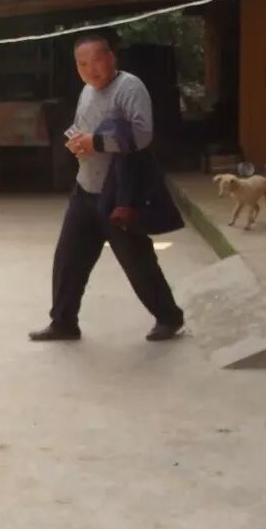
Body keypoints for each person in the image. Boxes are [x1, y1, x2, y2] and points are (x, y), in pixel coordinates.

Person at [29, 34, 184, 342]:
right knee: (68, 260)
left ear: (111, 58)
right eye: (82, 64)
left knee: (137, 262)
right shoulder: (87, 90)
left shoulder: (130, 88)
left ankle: (169, 318)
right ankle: (63, 323)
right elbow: (81, 127)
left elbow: (142, 135)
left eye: (96, 61)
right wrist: (77, 141)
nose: (90, 69)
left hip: (119, 195)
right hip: (85, 189)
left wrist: (96, 142)